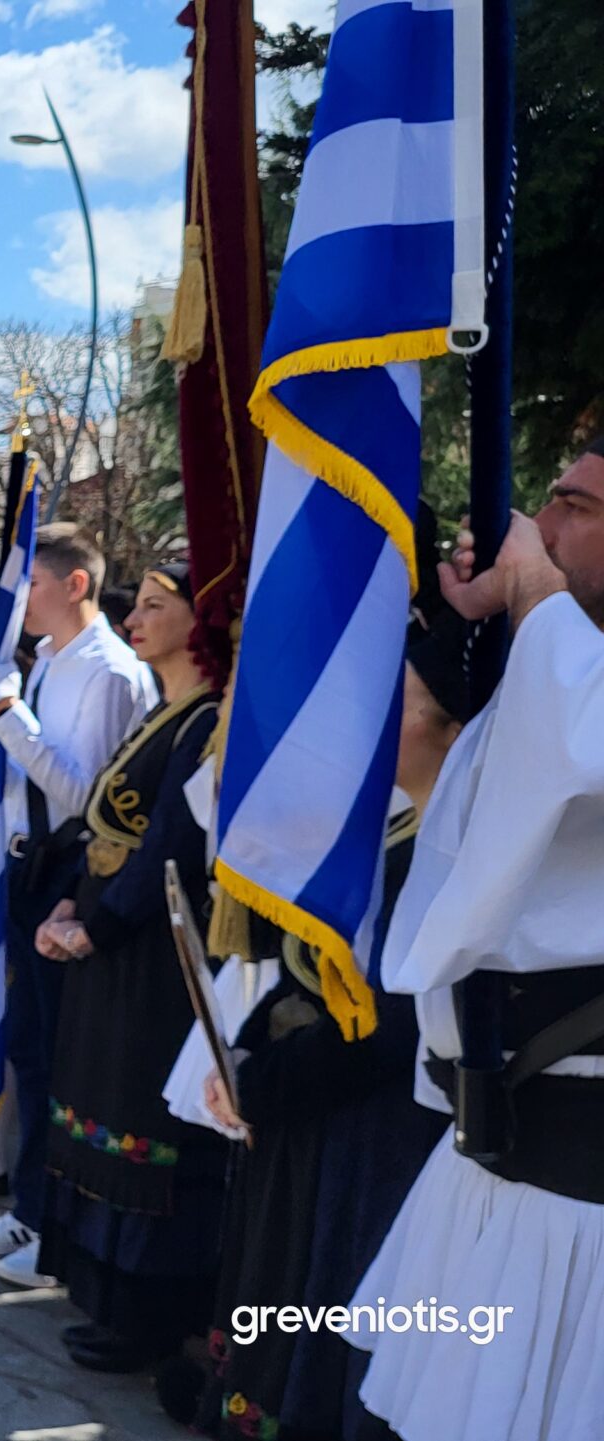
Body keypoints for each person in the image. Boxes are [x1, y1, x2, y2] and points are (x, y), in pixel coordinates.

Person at [346, 454, 604, 1441]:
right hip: (496, 1155)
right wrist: (485, 620)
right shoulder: (562, 660)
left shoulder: (573, 667)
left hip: (578, 1189)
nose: (537, 524)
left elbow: (583, 749)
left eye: (572, 506)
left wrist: (536, 591)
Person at [191, 581, 471, 1441]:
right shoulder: (396, 831)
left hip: (370, 1129)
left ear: (453, 726)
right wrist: (243, 1059)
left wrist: (264, 1080)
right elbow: (306, 967)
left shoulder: (451, 848)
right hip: (313, 1106)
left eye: (403, 701)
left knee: (328, 1309)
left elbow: (391, 1026)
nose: (380, 718)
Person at [13, 564, 223, 1373]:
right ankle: (96, 1288)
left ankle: (139, 1313)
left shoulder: (208, 722)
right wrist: (72, 902)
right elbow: (106, 824)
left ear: (200, 623)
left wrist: (97, 925)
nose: (135, 618)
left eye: (156, 606)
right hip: (107, 935)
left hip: (149, 953)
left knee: (138, 1123)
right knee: (91, 1103)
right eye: (136, 605)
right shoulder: (167, 710)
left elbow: (171, 843)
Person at [0, 524, 158, 1287]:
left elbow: (85, 795)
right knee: (29, 1047)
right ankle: (31, 1207)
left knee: (62, 1055)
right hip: (24, 863)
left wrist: (10, 715)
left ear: (75, 584)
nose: (19, 602)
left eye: (31, 585)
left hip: (72, 870)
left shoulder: (109, 672)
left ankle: (56, 1226)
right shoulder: (44, 662)